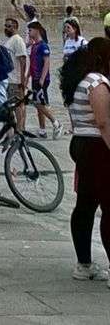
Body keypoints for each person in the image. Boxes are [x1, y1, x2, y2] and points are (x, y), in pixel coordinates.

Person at [60, 35, 110, 282]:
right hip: (97, 148)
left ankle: (84, 264)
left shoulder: (79, 81)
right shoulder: (96, 82)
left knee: (86, 205)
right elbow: (103, 121)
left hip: (81, 144)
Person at [27, 20, 63, 138]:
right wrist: (27, 77)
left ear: (37, 30)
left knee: (38, 103)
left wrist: (42, 78)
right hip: (34, 78)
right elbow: (31, 63)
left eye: (30, 30)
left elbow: (46, 62)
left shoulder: (43, 46)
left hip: (41, 79)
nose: (29, 32)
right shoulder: (34, 46)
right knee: (39, 103)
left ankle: (56, 122)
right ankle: (42, 129)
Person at [4, 15, 29, 130]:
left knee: (18, 106)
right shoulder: (10, 40)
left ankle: (20, 129)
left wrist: (22, 80)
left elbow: (22, 60)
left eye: (9, 26)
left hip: (16, 80)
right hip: (9, 79)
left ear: (15, 27)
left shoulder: (18, 40)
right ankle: (16, 129)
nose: (6, 28)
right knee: (13, 106)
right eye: (6, 26)